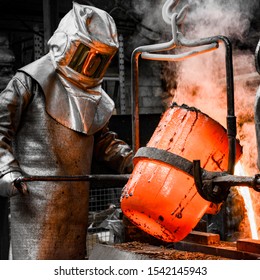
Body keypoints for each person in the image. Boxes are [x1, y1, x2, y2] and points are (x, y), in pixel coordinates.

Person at [0, 3, 132, 260]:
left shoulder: (91, 96)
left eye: (99, 59)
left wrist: (132, 162)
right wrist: (7, 169)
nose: (90, 64)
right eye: (86, 54)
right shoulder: (28, 82)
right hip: (34, 209)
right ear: (67, 43)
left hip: (75, 212)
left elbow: (102, 140)